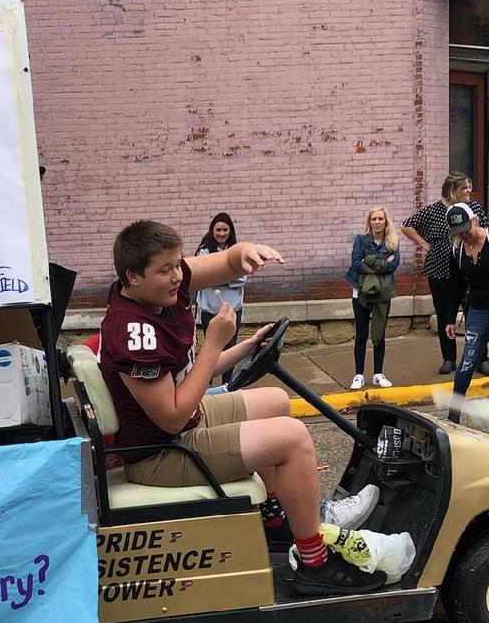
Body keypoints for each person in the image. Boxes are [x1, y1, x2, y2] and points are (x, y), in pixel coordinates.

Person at [99, 219, 385, 596]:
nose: (176, 276)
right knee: (293, 439)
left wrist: (245, 254)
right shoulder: (135, 333)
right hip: (160, 454)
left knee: (276, 401)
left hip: (184, 424)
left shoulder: (160, 291)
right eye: (165, 269)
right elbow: (171, 417)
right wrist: (216, 342)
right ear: (133, 277)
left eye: (177, 265)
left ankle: (275, 519)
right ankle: (315, 563)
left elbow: (227, 265)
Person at [401, 171, 489, 375]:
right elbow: (406, 226)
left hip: (468, 269)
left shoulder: (473, 208)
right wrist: (425, 244)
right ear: (452, 191)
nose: (469, 191)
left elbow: (482, 231)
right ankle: (449, 358)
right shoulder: (434, 210)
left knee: (474, 314)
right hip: (440, 270)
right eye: (464, 188)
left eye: (469, 187)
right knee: (444, 315)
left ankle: (480, 358)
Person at [345, 206, 400, 390]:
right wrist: (382, 264)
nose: (377, 222)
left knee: (379, 334)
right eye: (373, 219)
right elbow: (355, 264)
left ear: (386, 222)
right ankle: (358, 375)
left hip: (382, 294)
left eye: (380, 219)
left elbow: (395, 265)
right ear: (369, 222)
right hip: (360, 292)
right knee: (361, 334)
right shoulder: (361, 240)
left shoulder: (392, 242)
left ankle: (378, 374)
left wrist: (368, 262)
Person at [445, 203, 489, 423]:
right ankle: (453, 416)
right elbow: (456, 286)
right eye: (459, 234)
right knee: (467, 363)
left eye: (466, 231)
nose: (465, 237)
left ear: (474, 220)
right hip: (478, 311)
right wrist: (450, 319)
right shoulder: (457, 249)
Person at [194, 212, 246, 385]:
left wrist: (216, 276)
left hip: (233, 308)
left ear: (230, 231)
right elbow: (203, 278)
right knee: (211, 348)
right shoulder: (203, 252)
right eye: (218, 230)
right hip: (210, 309)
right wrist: (228, 275)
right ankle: (206, 383)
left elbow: (242, 278)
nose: (222, 233)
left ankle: (227, 384)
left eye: (225, 230)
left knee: (230, 347)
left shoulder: (236, 251)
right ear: (212, 230)